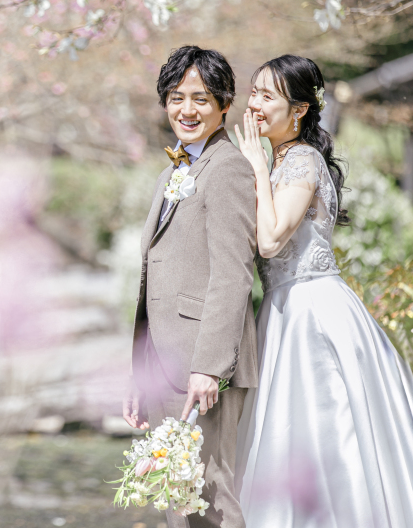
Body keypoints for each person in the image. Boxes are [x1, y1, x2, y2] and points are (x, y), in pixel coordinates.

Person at [233, 54, 413, 528]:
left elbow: (271, 241)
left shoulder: (303, 160)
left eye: (267, 95)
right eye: (253, 92)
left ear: (299, 111)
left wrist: (253, 163)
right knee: (290, 435)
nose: (253, 104)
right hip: (285, 311)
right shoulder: (283, 160)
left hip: (312, 316)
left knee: (329, 433)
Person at [123, 45, 257, 528]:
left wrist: (209, 367)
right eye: (176, 97)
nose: (187, 110)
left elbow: (233, 273)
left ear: (225, 104)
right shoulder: (170, 172)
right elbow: (152, 279)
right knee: (177, 495)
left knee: (211, 496)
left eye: (201, 99)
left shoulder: (228, 169)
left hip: (206, 363)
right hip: (164, 360)